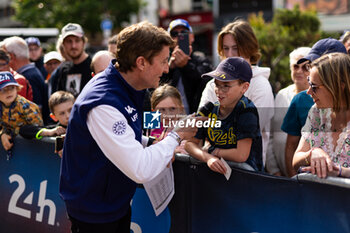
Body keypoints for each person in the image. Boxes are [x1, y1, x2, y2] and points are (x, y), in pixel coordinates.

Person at [59, 21, 197, 233]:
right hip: (95, 213)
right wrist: (176, 137)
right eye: (162, 61)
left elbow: (125, 136)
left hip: (113, 204)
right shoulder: (103, 101)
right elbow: (140, 169)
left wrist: (153, 143)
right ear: (141, 62)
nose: (167, 68)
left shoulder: (128, 85)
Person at [199, 19, 274, 167]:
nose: (230, 54)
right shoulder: (210, 84)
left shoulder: (261, 86)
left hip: (248, 172)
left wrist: (213, 146)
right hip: (212, 168)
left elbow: (246, 133)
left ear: (249, 48)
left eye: (235, 48)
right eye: (225, 48)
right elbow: (200, 125)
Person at [281, 38, 347, 177]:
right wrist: (311, 154)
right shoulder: (316, 112)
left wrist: (339, 172)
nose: (309, 92)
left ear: (339, 85)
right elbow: (295, 156)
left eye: (315, 87)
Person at [185, 57, 263, 174]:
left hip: (246, 178)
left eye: (226, 86)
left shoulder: (246, 110)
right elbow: (189, 144)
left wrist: (212, 151)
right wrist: (208, 158)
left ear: (244, 87)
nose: (219, 91)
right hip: (217, 175)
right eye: (216, 84)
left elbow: (241, 155)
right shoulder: (208, 109)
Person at [266, 47, 311, 176]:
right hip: (278, 174)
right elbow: (270, 135)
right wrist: (274, 170)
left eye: (305, 67)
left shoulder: (318, 99)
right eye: (295, 66)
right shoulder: (281, 95)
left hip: (305, 176)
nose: (299, 71)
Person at [160, 18, 213, 114]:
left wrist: (186, 66)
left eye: (184, 32)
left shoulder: (201, 59)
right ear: (169, 39)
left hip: (195, 119)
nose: (179, 36)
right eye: (174, 34)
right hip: (168, 120)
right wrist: (169, 68)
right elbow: (154, 90)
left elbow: (207, 82)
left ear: (192, 37)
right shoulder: (162, 62)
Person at [2, 36, 49, 123]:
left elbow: (36, 111)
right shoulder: (31, 73)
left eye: (3, 55)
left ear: (11, 56)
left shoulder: (25, 78)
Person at [0, 71, 43, 151]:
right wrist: (3, 133)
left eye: (11, 87)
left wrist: (13, 132)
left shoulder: (24, 105)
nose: (9, 92)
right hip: (16, 148)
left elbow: (37, 127)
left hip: (33, 145)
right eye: (3, 90)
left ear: (17, 88)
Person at [50, 23, 92, 97]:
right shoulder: (62, 70)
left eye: (77, 40)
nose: (73, 46)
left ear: (84, 42)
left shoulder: (94, 66)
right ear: (63, 45)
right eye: (69, 41)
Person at [150, 84, 188, 154]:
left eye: (172, 109)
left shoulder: (186, 127)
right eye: (162, 110)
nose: (168, 114)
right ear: (154, 112)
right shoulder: (152, 120)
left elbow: (183, 151)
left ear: (181, 109)